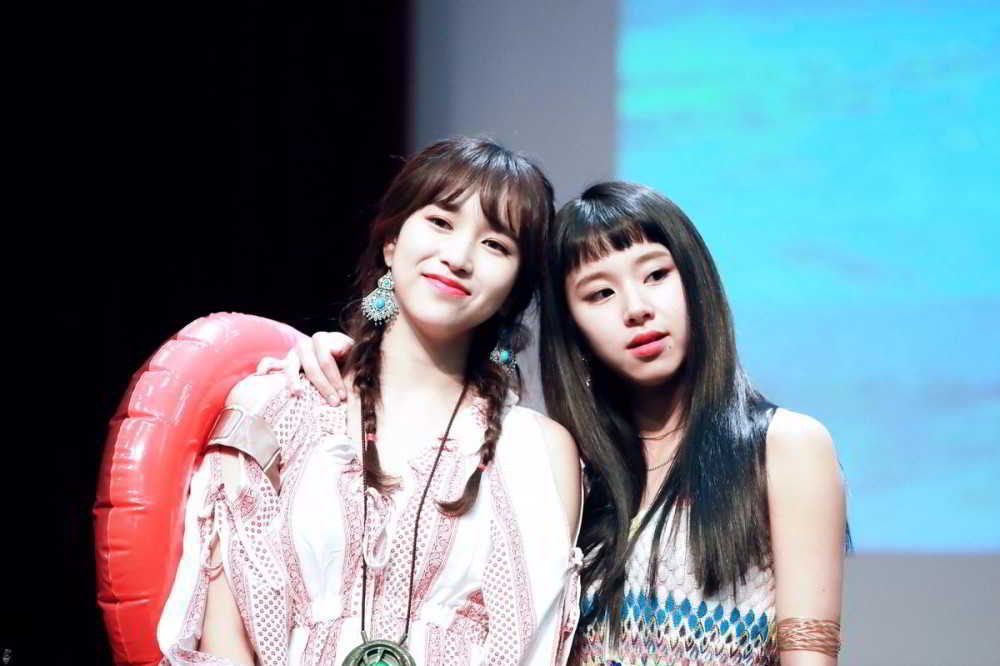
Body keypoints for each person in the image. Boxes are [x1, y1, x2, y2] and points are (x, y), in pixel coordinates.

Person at [282, 181, 848, 664]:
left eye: (656, 275)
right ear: (572, 329)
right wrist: (346, 358)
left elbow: (810, 651)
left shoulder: (783, 445)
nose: (636, 308)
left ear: (697, 282)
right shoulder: (566, 462)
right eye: (600, 293)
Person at [156, 137, 583, 666]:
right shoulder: (277, 405)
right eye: (440, 222)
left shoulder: (537, 451)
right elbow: (224, 634)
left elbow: (533, 647)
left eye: (496, 245)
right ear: (391, 242)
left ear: (515, 289)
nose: (458, 257)